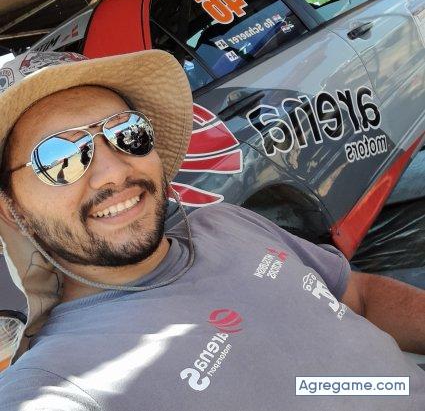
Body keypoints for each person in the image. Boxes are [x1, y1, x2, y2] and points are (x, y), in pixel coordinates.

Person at [0, 50, 423, 411]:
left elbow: (358, 297)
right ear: (12, 210)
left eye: (127, 133)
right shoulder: (59, 380)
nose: (114, 171)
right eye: (59, 159)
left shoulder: (226, 221)